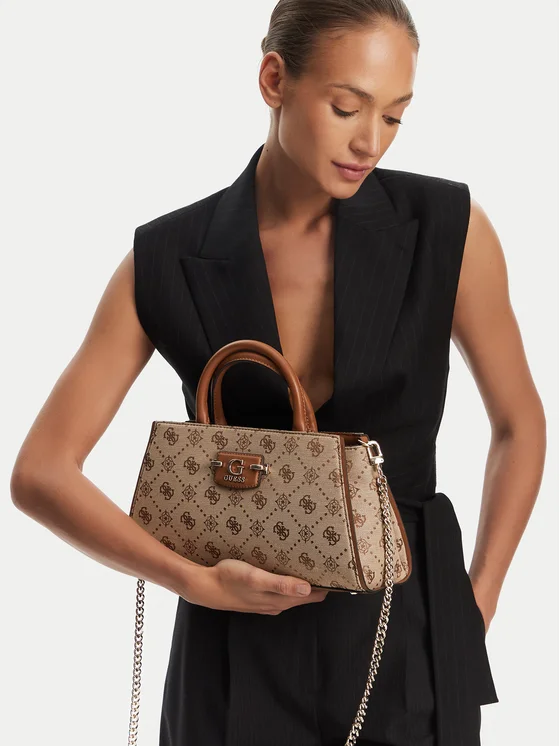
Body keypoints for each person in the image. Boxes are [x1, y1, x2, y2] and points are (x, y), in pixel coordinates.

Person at [11, 1, 546, 745]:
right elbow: (41, 471)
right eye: (346, 106)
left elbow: (519, 424)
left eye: (395, 115)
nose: (370, 141)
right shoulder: (168, 256)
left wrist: (474, 604)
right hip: (231, 650)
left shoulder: (448, 229)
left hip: (409, 636)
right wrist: (193, 581)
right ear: (274, 80)